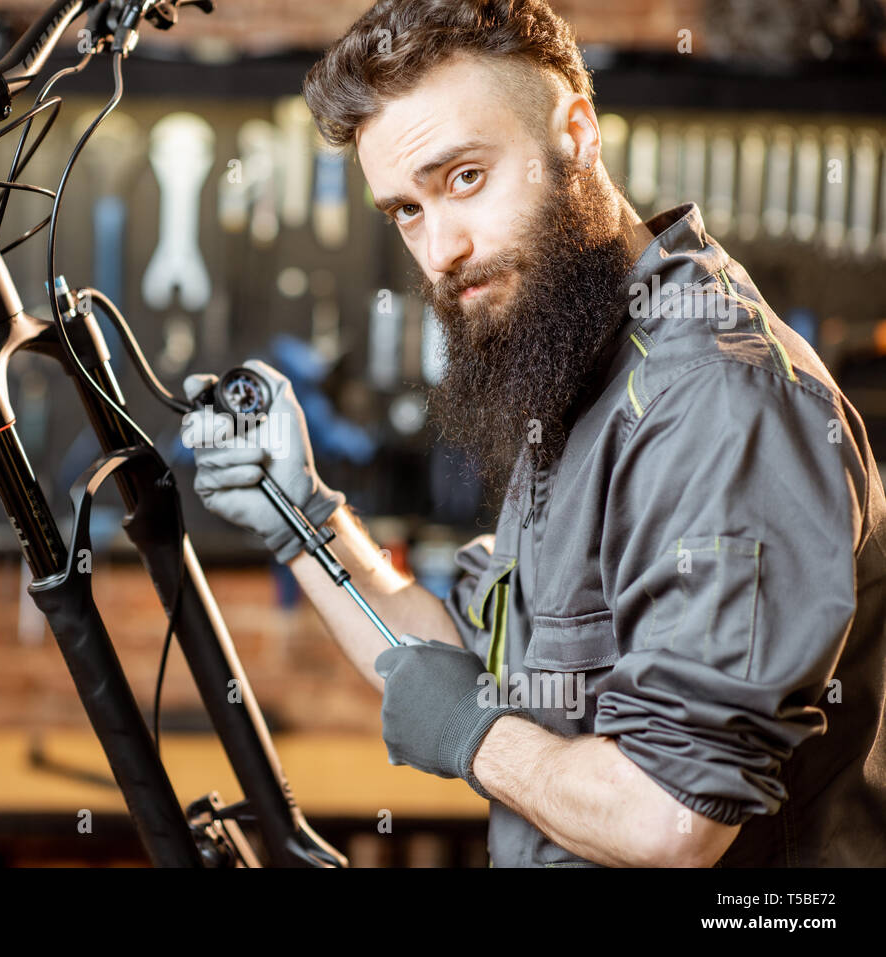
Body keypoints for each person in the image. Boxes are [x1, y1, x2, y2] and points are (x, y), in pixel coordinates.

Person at [179, 0, 886, 867]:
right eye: (405, 209)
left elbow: (671, 823)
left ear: (577, 135)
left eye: (464, 177)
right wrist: (306, 517)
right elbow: (472, 672)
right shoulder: (587, 367)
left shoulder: (714, 399)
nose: (439, 249)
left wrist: (477, 736)